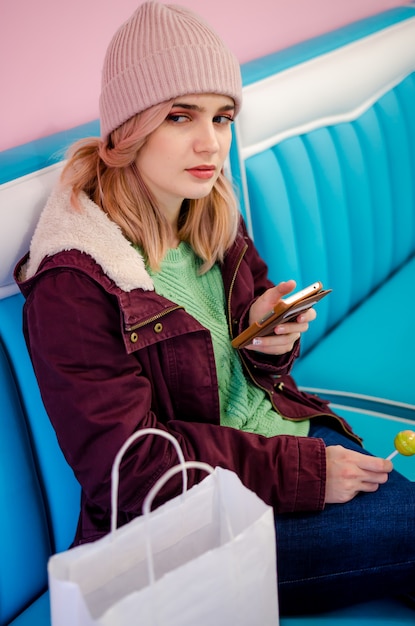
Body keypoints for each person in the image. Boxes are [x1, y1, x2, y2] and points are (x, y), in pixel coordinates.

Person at [15, 1, 414, 615]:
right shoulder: (74, 282)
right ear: (129, 128)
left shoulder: (211, 215)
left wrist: (268, 344)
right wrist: (303, 471)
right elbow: (134, 471)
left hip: (279, 447)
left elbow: (249, 378)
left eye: (223, 117)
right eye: (181, 116)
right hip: (187, 528)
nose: (211, 142)